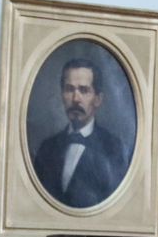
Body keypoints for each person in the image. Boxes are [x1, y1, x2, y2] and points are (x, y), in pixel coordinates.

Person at [32, 57, 129, 207]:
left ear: (98, 99)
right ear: (62, 94)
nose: (76, 99)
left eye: (84, 90)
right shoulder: (47, 148)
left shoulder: (114, 149)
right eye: (69, 89)